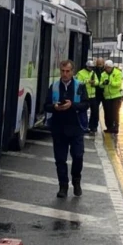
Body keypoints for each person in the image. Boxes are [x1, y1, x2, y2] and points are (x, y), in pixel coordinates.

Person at [43, 59, 90, 198]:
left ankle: (76, 181)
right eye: (62, 71)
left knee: (78, 156)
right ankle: (63, 186)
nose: (65, 74)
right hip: (59, 128)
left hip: (76, 128)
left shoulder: (80, 86)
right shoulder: (55, 86)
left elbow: (86, 104)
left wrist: (72, 105)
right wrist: (55, 107)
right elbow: (46, 105)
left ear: (72, 72)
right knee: (60, 159)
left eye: (67, 71)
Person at [76, 60, 99, 135]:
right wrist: (88, 81)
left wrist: (94, 82)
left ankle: (93, 127)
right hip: (84, 96)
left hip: (92, 96)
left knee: (95, 112)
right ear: (86, 66)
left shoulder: (93, 73)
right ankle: (83, 126)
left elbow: (97, 82)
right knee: (83, 112)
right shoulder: (81, 73)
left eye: (92, 67)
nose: (91, 69)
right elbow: (78, 82)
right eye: (90, 67)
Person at [100, 59, 123, 134]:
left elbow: (118, 83)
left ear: (111, 67)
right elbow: (100, 85)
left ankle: (115, 127)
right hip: (107, 97)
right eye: (106, 68)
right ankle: (108, 127)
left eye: (108, 68)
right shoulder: (103, 74)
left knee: (115, 112)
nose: (107, 69)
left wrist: (110, 82)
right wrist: (103, 83)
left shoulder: (118, 73)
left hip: (116, 96)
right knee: (107, 113)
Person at [93, 57, 106, 130]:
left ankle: (109, 126)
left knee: (107, 110)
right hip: (96, 92)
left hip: (105, 92)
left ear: (103, 63)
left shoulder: (106, 70)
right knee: (95, 110)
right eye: (98, 64)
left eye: (100, 64)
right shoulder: (94, 70)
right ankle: (94, 126)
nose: (99, 65)